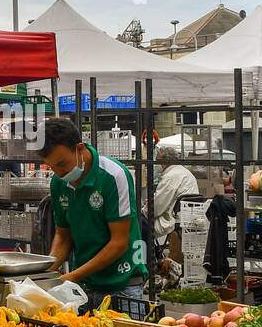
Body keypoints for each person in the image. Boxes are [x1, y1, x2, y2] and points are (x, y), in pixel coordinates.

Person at [39, 117, 147, 310]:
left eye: (62, 164)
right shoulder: (58, 183)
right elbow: (63, 236)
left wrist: (72, 276)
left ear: (79, 148)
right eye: (51, 167)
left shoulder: (114, 175)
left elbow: (119, 242)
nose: (59, 173)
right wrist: (44, 275)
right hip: (82, 287)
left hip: (122, 286)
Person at [150, 146, 199, 253]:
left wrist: (144, 209)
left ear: (165, 161)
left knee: (140, 224)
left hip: (174, 218)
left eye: (158, 160)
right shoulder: (184, 172)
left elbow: (157, 207)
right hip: (188, 216)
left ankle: (149, 258)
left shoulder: (171, 176)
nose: (157, 164)